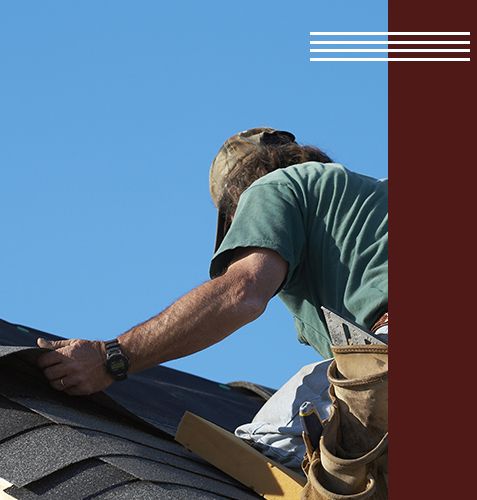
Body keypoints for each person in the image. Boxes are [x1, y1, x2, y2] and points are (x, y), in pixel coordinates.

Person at [37, 127, 388, 400]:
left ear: (237, 206)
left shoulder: (273, 187)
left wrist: (110, 358)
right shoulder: (364, 204)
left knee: (270, 444)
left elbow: (242, 293)